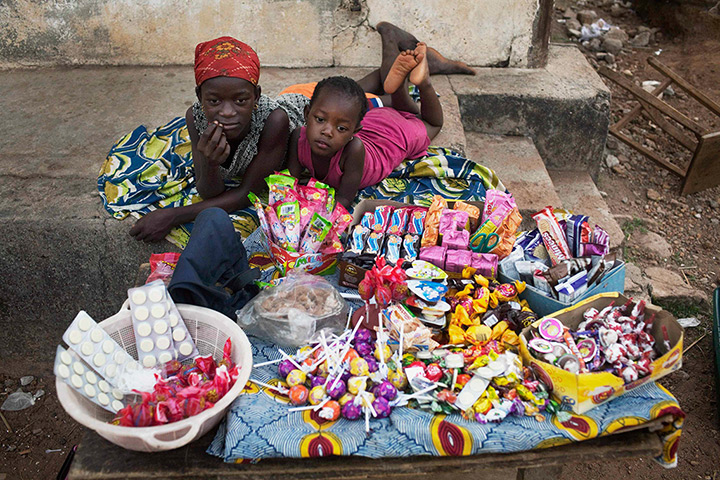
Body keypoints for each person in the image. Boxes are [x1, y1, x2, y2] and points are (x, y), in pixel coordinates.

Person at [287, 43, 443, 208]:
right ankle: (397, 89)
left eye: (340, 129)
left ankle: (424, 83)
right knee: (406, 111)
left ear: (354, 131)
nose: (327, 132)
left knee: (432, 124)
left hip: (393, 137)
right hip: (376, 119)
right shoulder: (298, 137)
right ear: (306, 114)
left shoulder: (353, 150)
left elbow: (344, 199)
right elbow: (288, 183)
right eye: (320, 119)